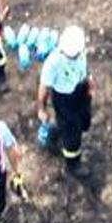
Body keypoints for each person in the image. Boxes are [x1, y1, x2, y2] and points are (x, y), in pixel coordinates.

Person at [36, 23, 94, 176]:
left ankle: (54, 132)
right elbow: (44, 88)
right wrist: (42, 109)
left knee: (83, 121)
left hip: (80, 91)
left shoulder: (80, 52)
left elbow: (84, 68)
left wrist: (89, 83)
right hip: (64, 99)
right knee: (72, 132)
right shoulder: (53, 63)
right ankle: (73, 164)